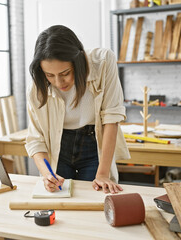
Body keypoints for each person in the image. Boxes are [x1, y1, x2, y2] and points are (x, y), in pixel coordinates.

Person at [25, 25, 130, 194]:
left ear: (78, 60)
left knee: (97, 196)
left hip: (93, 144)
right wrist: (47, 174)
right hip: (58, 147)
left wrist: (103, 174)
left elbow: (111, 118)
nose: (59, 83)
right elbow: (35, 139)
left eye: (65, 73)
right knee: (59, 199)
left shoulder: (103, 62)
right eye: (50, 75)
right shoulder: (36, 89)